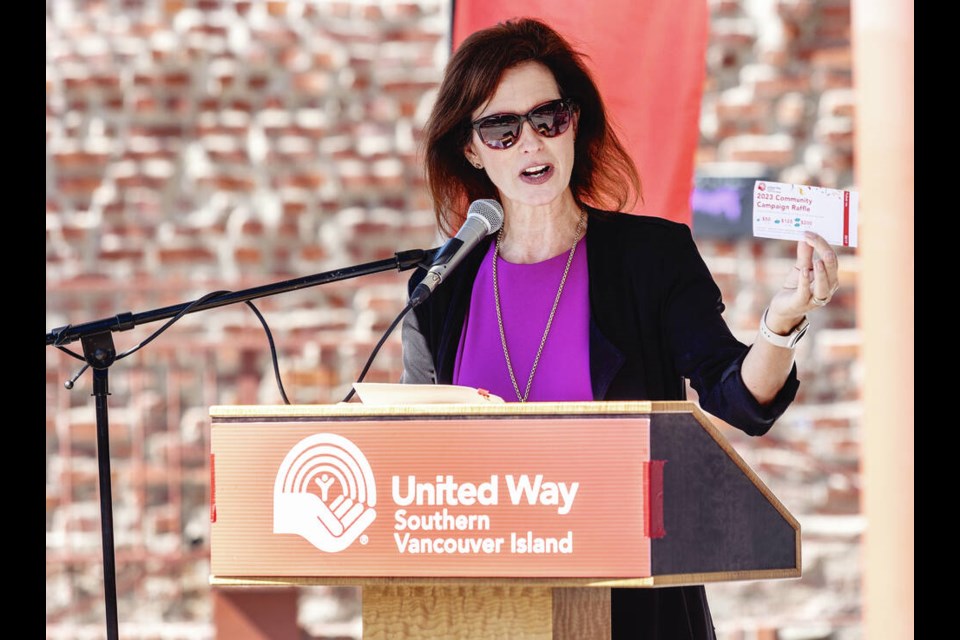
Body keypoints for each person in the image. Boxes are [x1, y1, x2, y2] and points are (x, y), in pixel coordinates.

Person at [399, 17, 839, 640]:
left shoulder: (649, 259)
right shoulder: (440, 287)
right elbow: (411, 454)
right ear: (470, 149)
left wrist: (782, 322)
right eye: (501, 128)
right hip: (478, 608)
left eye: (548, 118)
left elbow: (738, 397)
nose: (531, 143)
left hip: (630, 608)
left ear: (575, 123)